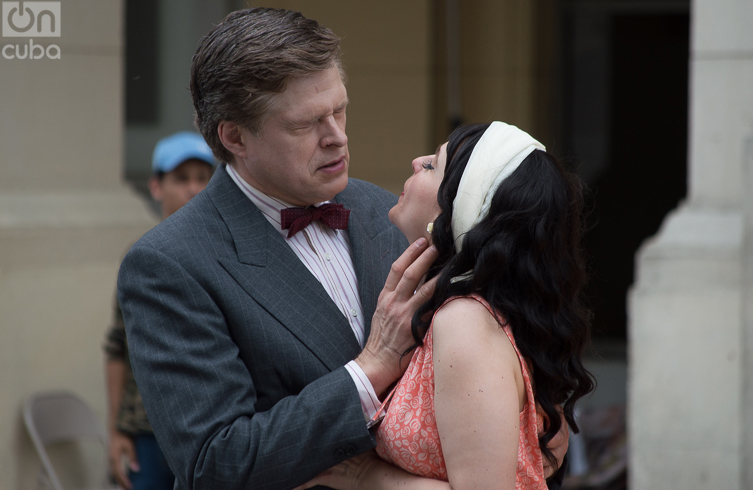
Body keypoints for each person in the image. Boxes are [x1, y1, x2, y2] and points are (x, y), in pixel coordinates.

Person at [117, 8, 440, 490]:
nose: (337, 137)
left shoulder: (385, 210)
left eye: (340, 110)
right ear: (235, 137)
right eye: (306, 124)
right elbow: (215, 464)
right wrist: (369, 369)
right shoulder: (169, 264)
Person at [302, 122, 594, 489]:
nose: (415, 161)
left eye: (431, 167)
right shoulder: (471, 312)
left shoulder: (465, 321)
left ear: (454, 213)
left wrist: (363, 475)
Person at [104, 131, 216, 490]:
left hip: (212, 427)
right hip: (147, 431)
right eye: (181, 179)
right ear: (156, 186)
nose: (194, 189)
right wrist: (116, 428)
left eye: (203, 178)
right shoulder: (141, 260)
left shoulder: (228, 256)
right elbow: (117, 347)